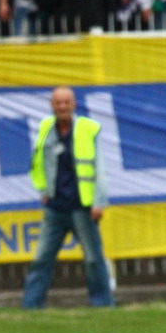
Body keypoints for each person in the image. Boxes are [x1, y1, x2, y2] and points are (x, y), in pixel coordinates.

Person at [22, 86, 114, 309]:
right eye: (58, 102)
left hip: (82, 206)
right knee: (42, 258)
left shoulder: (87, 129)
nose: (62, 106)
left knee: (93, 259)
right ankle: (31, 306)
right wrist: (43, 191)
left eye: (66, 102)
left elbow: (100, 168)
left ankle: (103, 304)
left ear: (74, 104)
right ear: (51, 105)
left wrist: (99, 201)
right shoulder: (46, 127)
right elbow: (37, 163)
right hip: (55, 206)